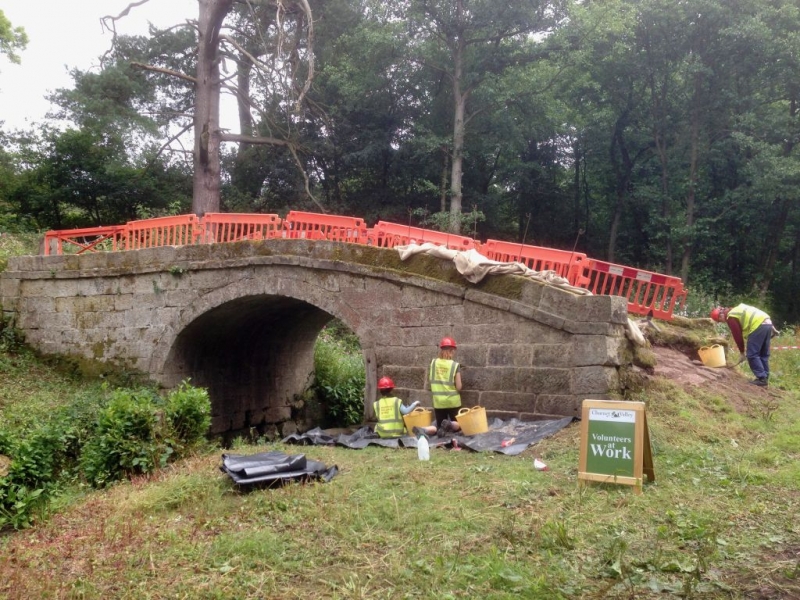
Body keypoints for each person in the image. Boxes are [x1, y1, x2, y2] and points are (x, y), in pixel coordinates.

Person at [710, 304, 776, 387]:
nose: (722, 322)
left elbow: (737, 335)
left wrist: (742, 352)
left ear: (721, 314)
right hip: (767, 323)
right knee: (763, 354)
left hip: (758, 325)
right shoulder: (736, 310)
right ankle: (764, 377)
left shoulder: (731, 317)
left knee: (752, 354)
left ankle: (762, 378)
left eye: (719, 320)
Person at [413, 336, 463, 438]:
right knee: (459, 425)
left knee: (439, 426)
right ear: (452, 351)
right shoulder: (454, 365)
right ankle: (450, 424)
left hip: (438, 402)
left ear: (441, 350)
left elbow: (430, 381)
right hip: (453, 401)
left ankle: (424, 429)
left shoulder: (433, 363)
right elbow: (459, 387)